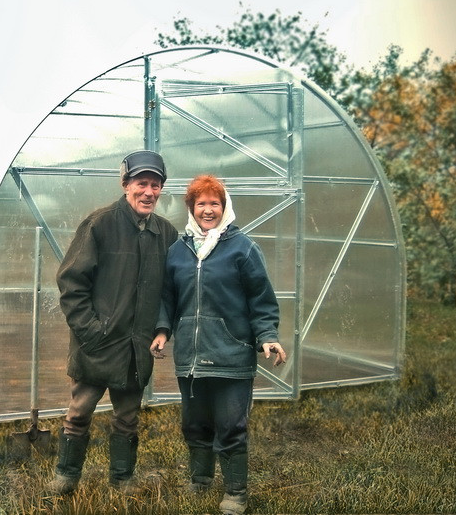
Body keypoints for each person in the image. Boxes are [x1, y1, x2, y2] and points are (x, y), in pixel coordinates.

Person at [150, 174, 286, 515]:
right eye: (201, 204)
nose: (208, 210)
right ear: (191, 208)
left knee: (231, 427)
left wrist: (267, 337)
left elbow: (261, 299)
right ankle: (200, 480)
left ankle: (236, 493)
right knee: (194, 424)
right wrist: (163, 330)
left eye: (215, 203)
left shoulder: (243, 248)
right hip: (191, 358)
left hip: (231, 355)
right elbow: (167, 297)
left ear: (225, 208)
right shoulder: (178, 251)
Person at [47, 150, 179, 496]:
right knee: (79, 413)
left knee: (127, 418)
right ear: (125, 185)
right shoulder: (99, 224)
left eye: (155, 185)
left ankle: (122, 480)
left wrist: (161, 329)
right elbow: (71, 283)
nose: (148, 192)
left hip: (137, 347)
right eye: (141, 183)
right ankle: (66, 476)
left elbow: (170, 290)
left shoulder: (166, 233)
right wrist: (92, 332)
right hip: (97, 344)